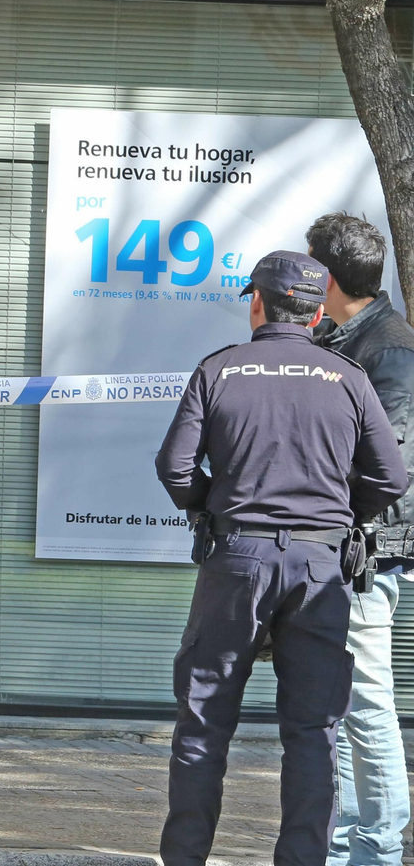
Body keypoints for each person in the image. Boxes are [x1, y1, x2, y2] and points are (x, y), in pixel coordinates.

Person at [154, 250, 408, 866]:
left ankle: (185, 856)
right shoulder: (347, 377)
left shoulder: (219, 370)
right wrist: (338, 514)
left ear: (258, 304)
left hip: (235, 560)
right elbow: (391, 478)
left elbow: (173, 465)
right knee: (314, 731)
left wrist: (209, 508)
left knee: (204, 721)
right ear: (317, 310)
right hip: (320, 568)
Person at [305, 214, 414, 866]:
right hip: (330, 543)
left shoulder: (391, 348)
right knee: (338, 701)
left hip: (366, 551)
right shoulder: (330, 335)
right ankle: (343, 843)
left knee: (367, 702)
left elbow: (388, 462)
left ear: (329, 274)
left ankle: (376, 845)